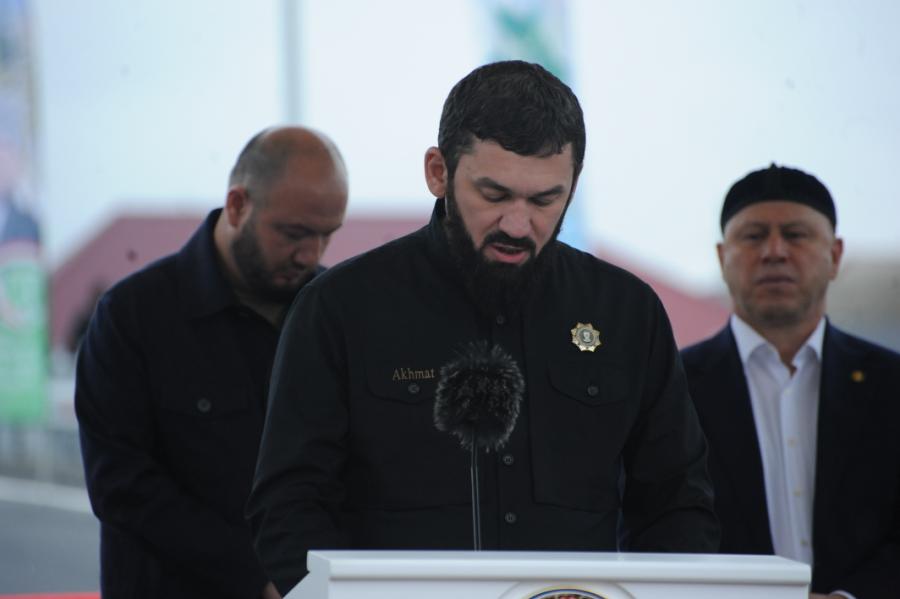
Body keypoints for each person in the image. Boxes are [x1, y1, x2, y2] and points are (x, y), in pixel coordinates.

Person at [248, 61, 719, 596]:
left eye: (544, 200)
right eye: (494, 195)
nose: (517, 225)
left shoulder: (627, 313)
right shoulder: (340, 308)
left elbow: (678, 505)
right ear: (438, 172)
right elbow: (289, 506)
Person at [75, 126, 348, 599]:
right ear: (238, 205)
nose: (311, 254)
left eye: (327, 236)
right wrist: (258, 574)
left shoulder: (335, 313)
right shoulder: (133, 318)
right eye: (294, 233)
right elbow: (121, 485)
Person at [681, 164, 900, 599]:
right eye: (753, 236)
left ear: (835, 255)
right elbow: (651, 529)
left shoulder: (890, 385)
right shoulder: (671, 388)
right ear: (722, 257)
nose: (774, 252)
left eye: (796, 235)